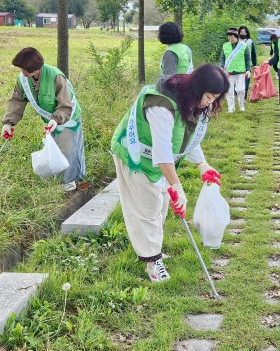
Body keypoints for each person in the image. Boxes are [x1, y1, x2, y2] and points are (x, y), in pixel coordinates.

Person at [110, 64, 229, 282]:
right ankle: (152, 260)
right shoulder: (162, 106)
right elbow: (163, 151)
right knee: (146, 208)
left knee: (161, 202)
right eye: (208, 96)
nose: (210, 103)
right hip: (136, 155)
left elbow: (187, 136)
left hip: (158, 158)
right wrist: (177, 185)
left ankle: (153, 248)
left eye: (215, 98)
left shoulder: (190, 100)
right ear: (198, 88)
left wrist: (202, 164)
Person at [2, 47, 85, 191]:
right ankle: (59, 180)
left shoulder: (55, 76)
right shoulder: (23, 79)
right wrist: (9, 123)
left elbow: (65, 105)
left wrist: (56, 120)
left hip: (67, 117)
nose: (22, 72)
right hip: (51, 120)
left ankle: (69, 181)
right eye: (21, 68)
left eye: (24, 69)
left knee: (68, 147)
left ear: (35, 68)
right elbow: (17, 100)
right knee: (56, 148)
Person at [220, 28, 251, 112]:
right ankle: (231, 108)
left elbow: (247, 59)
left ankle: (241, 106)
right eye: (229, 37)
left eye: (232, 37)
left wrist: (248, 70)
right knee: (229, 91)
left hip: (240, 72)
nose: (230, 39)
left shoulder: (244, 46)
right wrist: (221, 67)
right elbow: (222, 58)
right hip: (229, 72)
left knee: (240, 90)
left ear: (237, 37)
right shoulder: (225, 45)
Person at [238, 26, 256, 98]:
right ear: (239, 33)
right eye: (241, 32)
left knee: (246, 81)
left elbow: (253, 54)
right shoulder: (236, 41)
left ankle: (244, 95)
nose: (243, 33)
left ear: (247, 33)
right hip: (238, 65)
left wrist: (255, 64)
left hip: (247, 65)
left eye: (244, 32)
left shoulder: (250, 42)